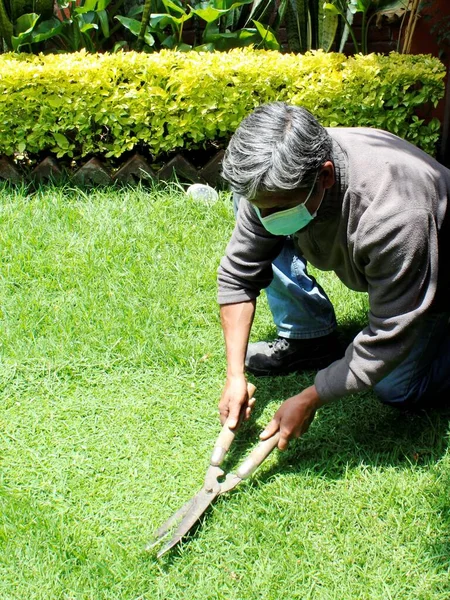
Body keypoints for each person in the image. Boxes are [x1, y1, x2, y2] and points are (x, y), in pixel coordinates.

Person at [217, 102, 450, 451]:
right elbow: (238, 276)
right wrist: (235, 375)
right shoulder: (279, 177)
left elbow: (390, 333)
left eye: (278, 207)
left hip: (434, 274)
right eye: (260, 206)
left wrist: (313, 396)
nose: (264, 219)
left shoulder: (394, 215)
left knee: (396, 388)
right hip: (384, 244)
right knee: (257, 209)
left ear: (325, 176)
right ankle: (308, 338)